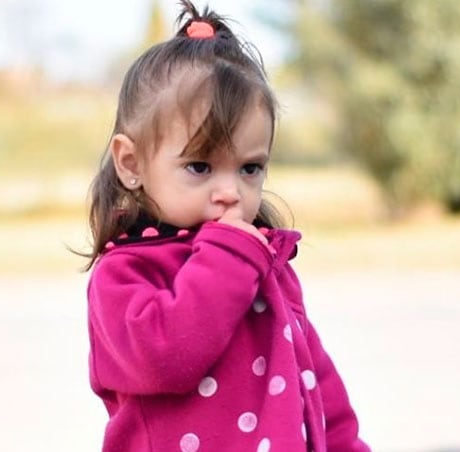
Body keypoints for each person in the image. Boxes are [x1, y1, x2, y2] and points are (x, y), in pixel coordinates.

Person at [83, 2, 371, 451]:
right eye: (200, 166)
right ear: (131, 163)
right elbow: (167, 359)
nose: (230, 191)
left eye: (250, 168)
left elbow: (315, 385)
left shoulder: (262, 266)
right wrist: (228, 257)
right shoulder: (124, 275)